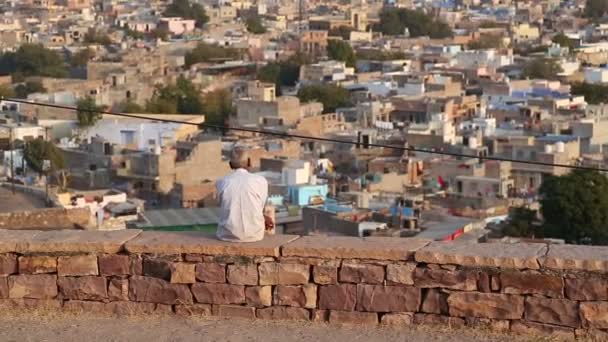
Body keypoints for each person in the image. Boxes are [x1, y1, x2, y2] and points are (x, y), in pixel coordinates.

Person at [216, 149, 274, 242]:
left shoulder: (221, 182)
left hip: (226, 235)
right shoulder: (260, 181)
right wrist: (263, 217)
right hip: (255, 235)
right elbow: (260, 206)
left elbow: (223, 205)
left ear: (230, 165)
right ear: (249, 162)